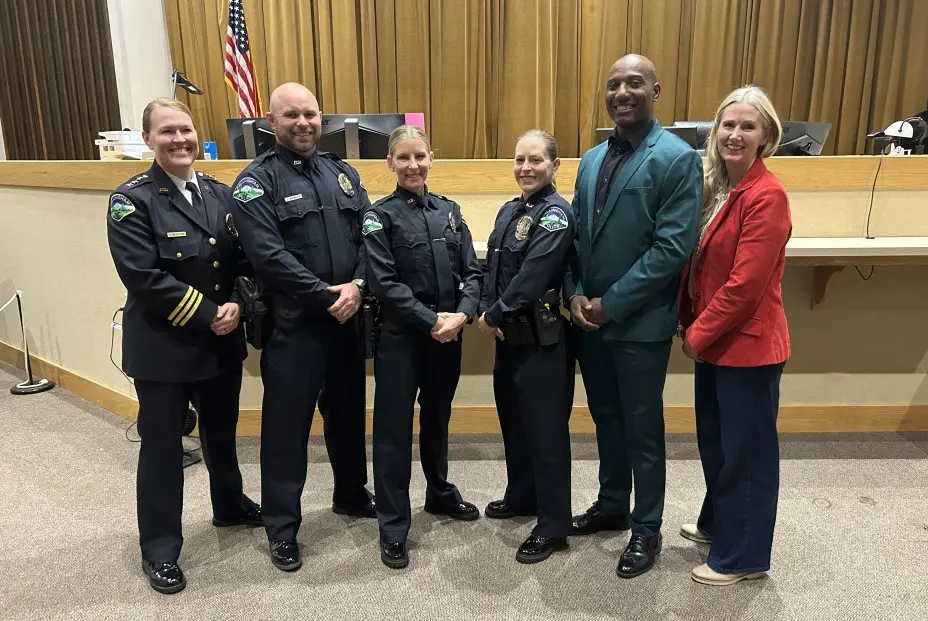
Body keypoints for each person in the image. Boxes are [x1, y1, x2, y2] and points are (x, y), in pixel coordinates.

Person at [106, 98, 261, 594]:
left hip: (220, 344)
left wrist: (238, 302)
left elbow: (243, 260)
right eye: (168, 132)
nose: (180, 140)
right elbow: (143, 276)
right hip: (164, 347)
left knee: (222, 436)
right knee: (163, 451)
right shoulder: (131, 200)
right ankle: (160, 549)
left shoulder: (219, 193)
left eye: (187, 130)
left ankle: (230, 505)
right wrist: (208, 314)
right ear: (149, 140)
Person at [564, 54, 703, 579]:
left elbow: (671, 249)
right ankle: (612, 504)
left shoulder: (677, 158)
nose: (623, 92)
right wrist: (576, 294)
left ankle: (647, 526)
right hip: (590, 322)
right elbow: (576, 237)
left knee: (643, 427)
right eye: (614, 84)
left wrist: (611, 304)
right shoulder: (591, 158)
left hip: (638, 323)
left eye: (634, 83)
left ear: (656, 91)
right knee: (606, 419)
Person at [230, 83, 374, 573]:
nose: (303, 123)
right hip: (295, 327)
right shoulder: (255, 183)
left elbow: (369, 238)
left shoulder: (344, 174)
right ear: (271, 122)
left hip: (346, 321)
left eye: (310, 114)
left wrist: (355, 285)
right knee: (287, 431)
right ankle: (282, 527)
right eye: (290, 115)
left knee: (348, 416)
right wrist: (326, 295)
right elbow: (267, 256)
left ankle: (351, 495)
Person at [677, 85, 791, 586]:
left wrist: (697, 333)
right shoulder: (721, 187)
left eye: (748, 126)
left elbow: (744, 285)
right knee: (719, 444)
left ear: (766, 135)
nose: (736, 134)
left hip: (747, 346)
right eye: (728, 124)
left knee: (746, 453)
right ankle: (719, 524)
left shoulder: (767, 195)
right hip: (719, 343)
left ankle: (743, 557)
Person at [362, 125, 483, 569]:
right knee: (393, 433)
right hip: (402, 341)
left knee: (438, 419)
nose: (413, 165)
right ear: (390, 164)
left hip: (446, 338)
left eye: (420, 156)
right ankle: (393, 525)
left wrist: (463, 314)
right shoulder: (379, 216)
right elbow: (384, 282)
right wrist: (432, 319)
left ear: (432, 157)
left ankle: (440, 494)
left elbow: (472, 272)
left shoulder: (450, 211)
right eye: (404, 158)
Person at [477, 129, 575, 564]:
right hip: (508, 343)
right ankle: (522, 496)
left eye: (536, 160)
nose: (526, 167)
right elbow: (492, 269)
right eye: (520, 159)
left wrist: (492, 313)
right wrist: (485, 306)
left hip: (541, 343)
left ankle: (554, 525)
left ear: (555, 166)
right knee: (515, 426)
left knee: (546, 434)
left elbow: (533, 275)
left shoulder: (556, 214)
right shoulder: (508, 210)